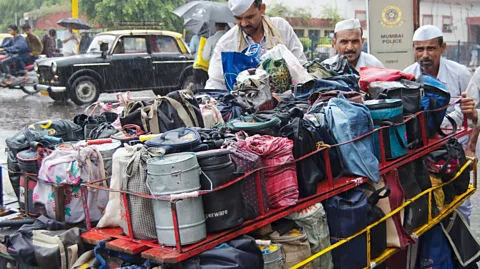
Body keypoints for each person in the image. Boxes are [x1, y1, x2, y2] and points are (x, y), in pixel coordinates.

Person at [404, 25, 474, 223]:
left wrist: (471, 147)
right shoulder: (407, 76)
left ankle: (463, 249)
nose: (425, 55)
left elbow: (472, 112)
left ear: (443, 48)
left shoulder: (460, 74)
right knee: (428, 207)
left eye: (431, 49)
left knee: (460, 203)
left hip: (455, 151)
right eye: (420, 49)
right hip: (423, 155)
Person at [205, 0, 307, 89]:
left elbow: (301, 67)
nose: (244, 23)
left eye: (250, 17)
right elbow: (215, 82)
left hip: (285, 103)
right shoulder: (226, 43)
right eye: (238, 18)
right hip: (245, 106)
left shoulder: (281, 28)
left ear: (262, 9)